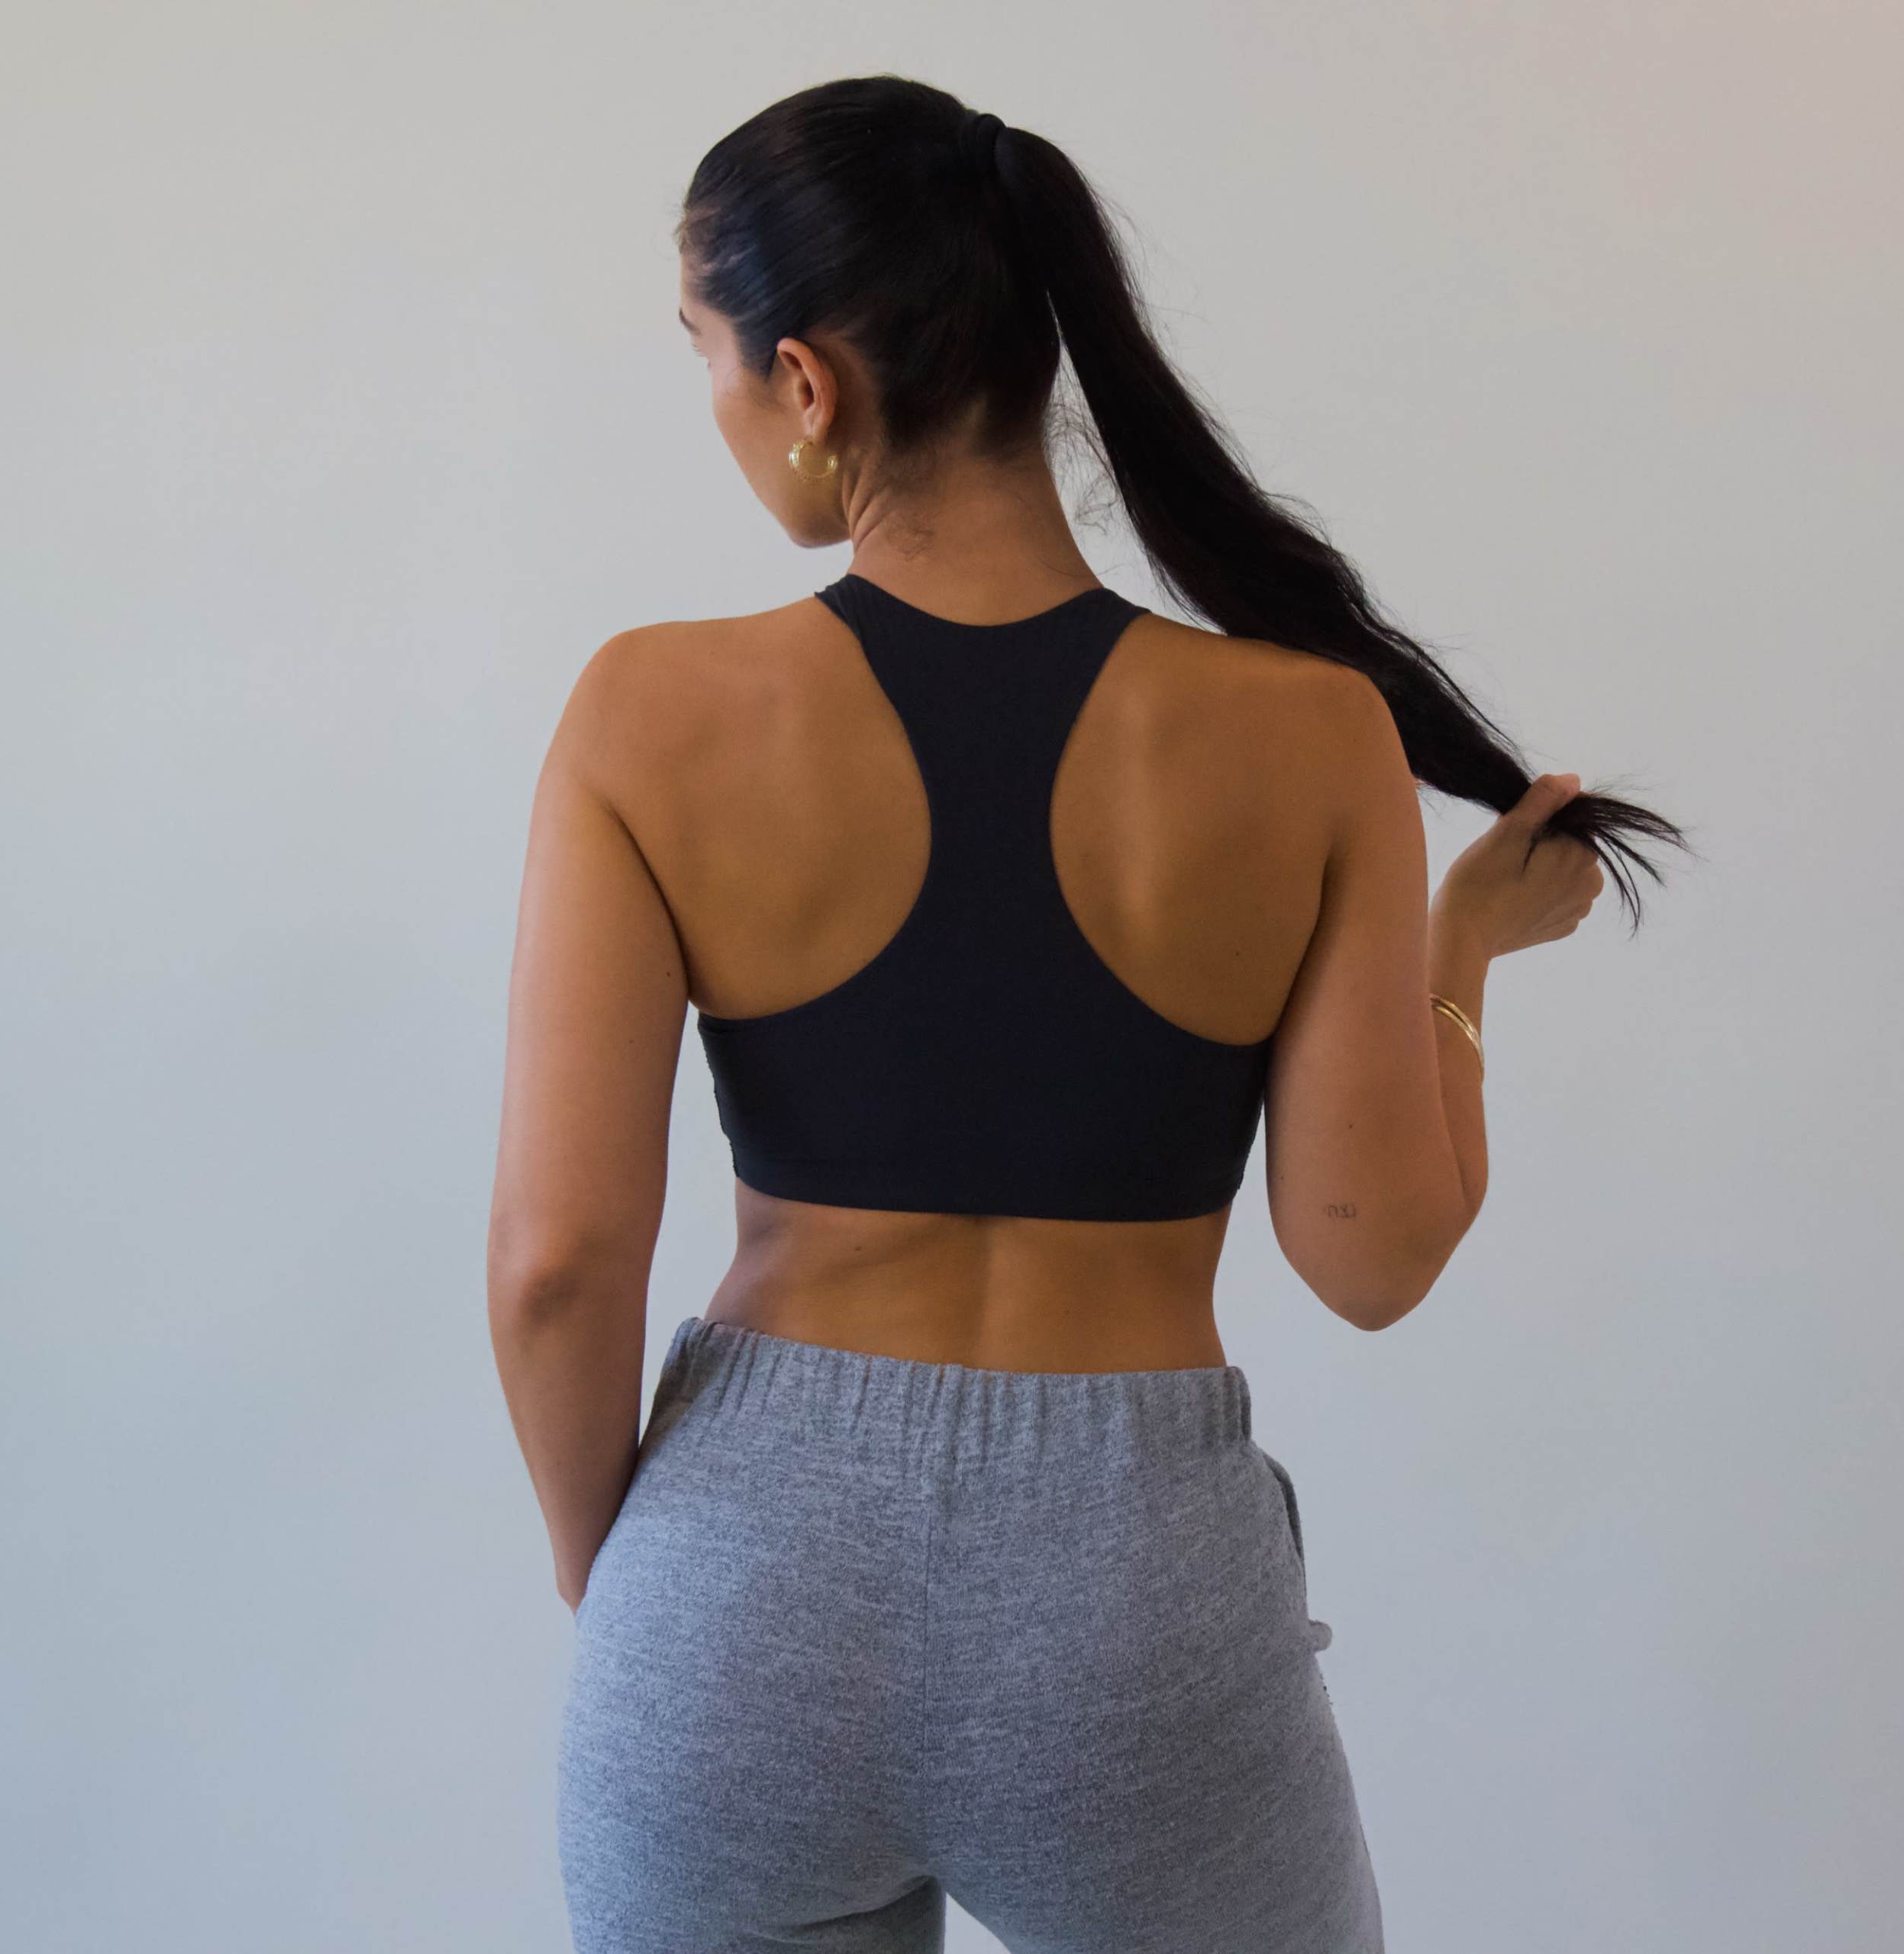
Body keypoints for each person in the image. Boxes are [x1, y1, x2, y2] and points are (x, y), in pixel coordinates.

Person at [488, 75, 1683, 1954]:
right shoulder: (1308, 735)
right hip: (1133, 1613)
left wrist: (625, 1577)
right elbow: (1368, 1256)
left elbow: (560, 1261)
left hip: (738, 1591)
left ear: (808, 385)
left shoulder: (648, 713)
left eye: (709, 361)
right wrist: (1455, 964)